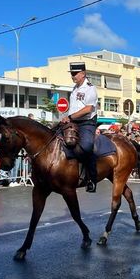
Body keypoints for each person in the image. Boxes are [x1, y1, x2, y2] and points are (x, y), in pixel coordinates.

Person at [61, 62, 99, 192]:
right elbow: (73, 108)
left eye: (75, 73)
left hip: (87, 123)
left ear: (83, 73)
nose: (72, 76)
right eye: (71, 73)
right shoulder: (74, 88)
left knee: (87, 146)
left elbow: (88, 109)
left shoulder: (90, 88)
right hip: (73, 122)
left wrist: (71, 117)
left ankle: (91, 179)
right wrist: (67, 118)